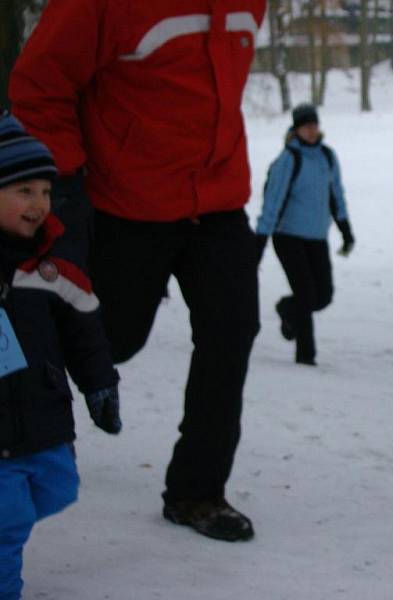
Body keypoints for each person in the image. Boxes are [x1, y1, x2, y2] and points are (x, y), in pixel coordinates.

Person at [9, 0, 266, 541]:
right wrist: (65, 186)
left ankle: (197, 492)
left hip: (217, 199)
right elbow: (39, 84)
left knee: (232, 329)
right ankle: (17, 432)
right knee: (109, 340)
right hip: (125, 204)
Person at [0, 112, 120, 600]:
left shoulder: (53, 268)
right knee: (8, 521)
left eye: (45, 191)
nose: (39, 204)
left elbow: (84, 331)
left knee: (58, 489)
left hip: (44, 412)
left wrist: (100, 384)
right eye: (23, 191)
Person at [255, 104, 354, 366]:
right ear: (297, 128)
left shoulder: (328, 157)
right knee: (307, 294)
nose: (311, 130)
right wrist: (260, 240)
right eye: (305, 126)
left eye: (314, 125)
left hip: (317, 237)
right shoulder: (289, 159)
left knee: (323, 296)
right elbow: (273, 201)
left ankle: (287, 309)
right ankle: (306, 356)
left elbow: (336, 195)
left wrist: (346, 230)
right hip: (288, 236)